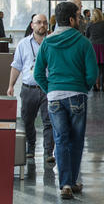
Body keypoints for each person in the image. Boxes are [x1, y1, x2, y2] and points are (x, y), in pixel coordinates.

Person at [33, 2, 98, 199]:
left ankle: (65, 185)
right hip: (76, 95)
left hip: (53, 97)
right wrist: (82, 89)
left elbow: (38, 74)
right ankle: (74, 180)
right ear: (71, 19)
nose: (79, 20)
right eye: (78, 17)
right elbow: (92, 74)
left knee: (60, 139)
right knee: (76, 140)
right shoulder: (83, 42)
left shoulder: (47, 42)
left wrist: (49, 89)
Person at [7, 14, 55, 162]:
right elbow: (16, 66)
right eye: (38, 22)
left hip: (47, 88)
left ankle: (48, 152)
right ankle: (30, 148)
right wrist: (11, 85)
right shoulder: (23, 44)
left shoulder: (52, 43)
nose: (42, 25)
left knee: (49, 121)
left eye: (44, 23)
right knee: (28, 120)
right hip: (29, 88)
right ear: (32, 25)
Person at [85, 9, 104, 91]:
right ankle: (102, 86)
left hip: (93, 47)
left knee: (94, 67)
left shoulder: (89, 24)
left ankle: (95, 86)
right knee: (102, 68)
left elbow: (87, 35)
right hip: (102, 47)